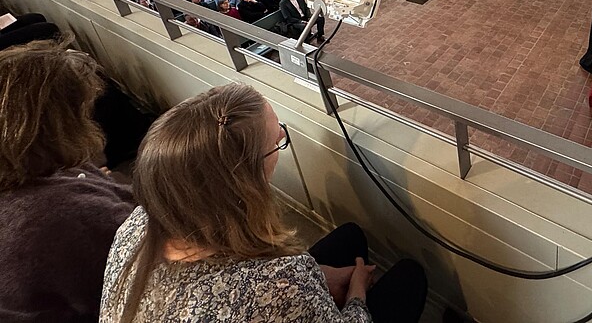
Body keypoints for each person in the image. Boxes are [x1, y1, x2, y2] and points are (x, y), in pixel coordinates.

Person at [99, 83, 427, 323]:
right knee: (409, 278)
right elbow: (267, 292)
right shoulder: (278, 285)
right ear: (242, 177)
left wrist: (315, 277)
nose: (282, 139)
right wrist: (356, 296)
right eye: (276, 141)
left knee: (351, 236)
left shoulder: (138, 223)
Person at [0, 40, 135, 321]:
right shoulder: (66, 215)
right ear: (58, 123)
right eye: (82, 110)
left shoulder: (36, 166)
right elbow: (156, 260)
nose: (90, 120)